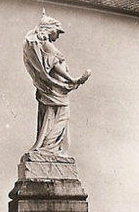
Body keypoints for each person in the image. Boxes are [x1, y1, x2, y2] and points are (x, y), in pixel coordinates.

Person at [22, 12, 91, 161]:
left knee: (51, 116)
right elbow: (55, 65)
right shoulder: (46, 44)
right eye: (57, 32)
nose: (58, 36)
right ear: (50, 29)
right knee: (63, 115)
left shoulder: (39, 43)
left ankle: (48, 147)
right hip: (56, 88)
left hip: (52, 87)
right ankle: (48, 147)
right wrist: (73, 80)